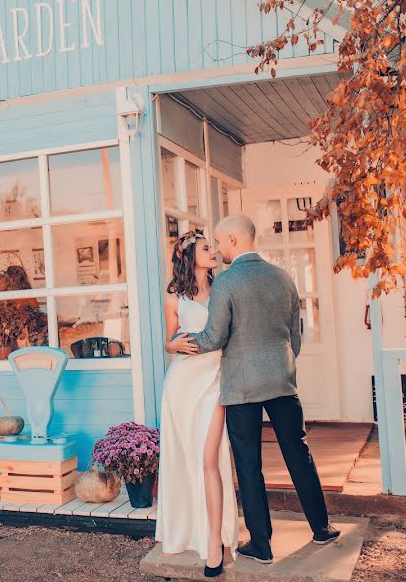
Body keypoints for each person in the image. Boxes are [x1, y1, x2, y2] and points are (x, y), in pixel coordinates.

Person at [172, 214, 340, 567]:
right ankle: (322, 527)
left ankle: (261, 545)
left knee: (249, 464)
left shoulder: (227, 283)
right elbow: (296, 334)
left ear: (233, 239)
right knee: (299, 453)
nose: (217, 249)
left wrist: (182, 345)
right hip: (283, 381)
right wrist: (282, 363)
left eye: (219, 242)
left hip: (241, 386)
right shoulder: (283, 277)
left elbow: (215, 336)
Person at [155, 229, 238, 578]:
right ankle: (186, 531)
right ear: (190, 256)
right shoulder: (175, 297)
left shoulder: (224, 289)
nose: (214, 252)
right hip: (181, 385)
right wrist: (174, 346)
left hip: (215, 383)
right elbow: (168, 342)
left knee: (210, 461)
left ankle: (215, 544)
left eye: (213, 247)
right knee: (185, 461)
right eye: (207, 248)